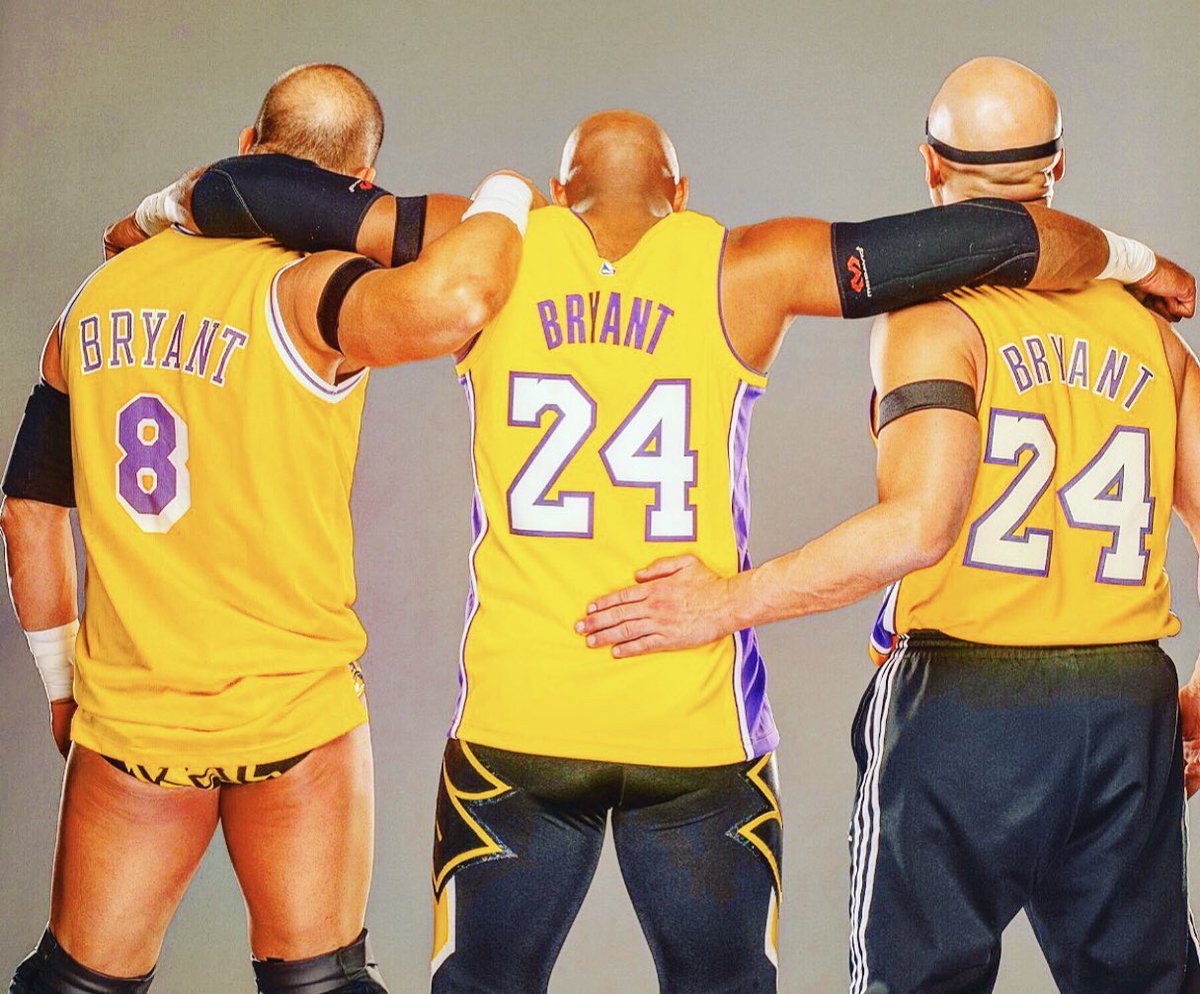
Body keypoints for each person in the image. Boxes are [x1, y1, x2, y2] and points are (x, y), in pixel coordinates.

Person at [127, 106, 1193, 993]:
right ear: (683, 194)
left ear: (555, 192)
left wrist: (161, 212)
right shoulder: (744, 263)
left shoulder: (488, 241)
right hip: (699, 729)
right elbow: (993, 240)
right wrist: (1130, 260)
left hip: (516, 720)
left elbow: (273, 191)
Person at [579, 59, 1200, 993]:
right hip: (1126, 703)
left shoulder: (935, 318)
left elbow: (918, 526)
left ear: (930, 165)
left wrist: (721, 603)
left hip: (968, 704)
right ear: (1058, 167)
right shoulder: (1153, 334)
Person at [3, 62, 534, 994]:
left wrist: (60, 686)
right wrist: (510, 192)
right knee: (322, 984)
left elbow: (27, 509)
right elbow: (459, 297)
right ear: (358, 182)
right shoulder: (308, 290)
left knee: (73, 987)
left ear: (250, 144)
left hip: (134, 720)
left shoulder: (94, 298)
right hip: (295, 719)